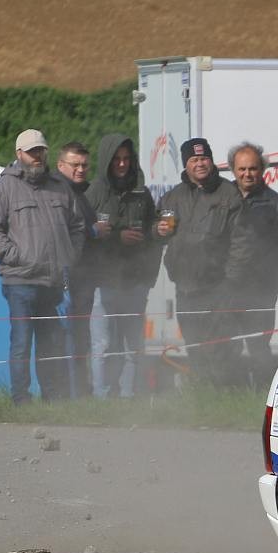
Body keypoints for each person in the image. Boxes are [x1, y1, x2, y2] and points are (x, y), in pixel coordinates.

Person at [0, 129, 86, 404]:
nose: (37, 156)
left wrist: (69, 255)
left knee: (51, 344)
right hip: (20, 281)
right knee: (22, 344)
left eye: (41, 150)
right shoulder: (3, 188)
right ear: (19, 154)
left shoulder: (59, 186)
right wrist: (17, 256)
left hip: (52, 281)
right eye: (31, 151)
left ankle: (53, 399)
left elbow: (77, 226)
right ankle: (21, 400)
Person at [157, 137, 242, 386]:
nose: (200, 164)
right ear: (186, 164)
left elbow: (241, 241)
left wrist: (231, 280)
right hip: (185, 286)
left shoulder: (229, 193)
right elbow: (159, 229)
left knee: (218, 346)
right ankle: (202, 396)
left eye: (204, 158)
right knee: (194, 345)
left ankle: (222, 395)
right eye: (194, 160)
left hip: (218, 287)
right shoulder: (174, 196)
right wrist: (158, 230)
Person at [81, 134, 159, 398]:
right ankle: (103, 398)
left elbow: (152, 230)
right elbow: (82, 232)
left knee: (132, 346)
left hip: (135, 281)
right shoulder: (93, 192)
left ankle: (128, 399)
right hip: (104, 281)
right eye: (117, 159)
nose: (122, 164)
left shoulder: (142, 192)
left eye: (127, 159)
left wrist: (157, 230)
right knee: (103, 345)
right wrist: (116, 236)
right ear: (107, 160)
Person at [226, 142, 278, 383]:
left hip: (261, 289)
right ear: (233, 170)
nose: (247, 174)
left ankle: (260, 396)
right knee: (226, 344)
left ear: (262, 170)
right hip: (224, 286)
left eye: (253, 168)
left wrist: (265, 267)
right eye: (242, 169)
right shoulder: (221, 199)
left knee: (258, 345)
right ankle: (229, 395)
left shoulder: (277, 203)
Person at [55, 141, 96, 398]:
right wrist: (93, 231)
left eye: (84, 165)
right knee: (68, 338)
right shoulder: (58, 193)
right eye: (75, 165)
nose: (80, 169)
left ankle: (80, 392)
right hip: (65, 275)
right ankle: (70, 394)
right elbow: (62, 232)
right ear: (61, 166)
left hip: (84, 275)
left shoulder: (81, 193)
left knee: (81, 338)